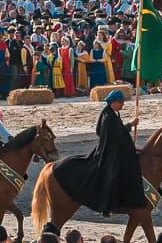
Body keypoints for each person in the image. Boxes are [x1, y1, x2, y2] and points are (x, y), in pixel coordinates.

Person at [52, 89, 144, 217]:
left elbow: (118, 131)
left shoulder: (114, 113)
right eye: (121, 102)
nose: (123, 105)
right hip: (107, 151)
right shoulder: (108, 116)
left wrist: (130, 127)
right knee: (113, 172)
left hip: (113, 148)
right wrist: (129, 127)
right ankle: (108, 205)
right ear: (114, 102)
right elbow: (115, 134)